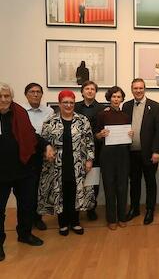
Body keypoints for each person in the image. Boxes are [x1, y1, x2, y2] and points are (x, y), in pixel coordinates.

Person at [0, 82, 54, 261]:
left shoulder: (19, 113)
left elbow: (32, 135)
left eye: (7, 96)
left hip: (24, 169)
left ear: (12, 97)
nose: (3, 100)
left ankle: (24, 234)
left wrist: (46, 145)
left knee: (27, 205)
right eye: (0, 96)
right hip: (1, 173)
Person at [38, 90, 95, 236]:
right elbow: (43, 142)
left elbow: (89, 142)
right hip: (57, 165)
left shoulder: (83, 120)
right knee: (61, 192)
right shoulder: (50, 121)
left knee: (75, 192)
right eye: (65, 102)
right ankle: (63, 224)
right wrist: (46, 149)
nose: (68, 105)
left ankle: (75, 222)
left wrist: (89, 159)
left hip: (78, 164)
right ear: (59, 104)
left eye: (71, 102)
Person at [123, 78, 159, 225]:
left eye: (141, 88)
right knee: (134, 183)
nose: (138, 91)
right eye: (135, 88)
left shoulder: (155, 106)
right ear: (132, 89)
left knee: (150, 182)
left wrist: (157, 151)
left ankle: (150, 210)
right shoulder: (126, 106)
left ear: (144, 89)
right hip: (131, 153)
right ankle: (134, 208)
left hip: (149, 153)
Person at [96, 86, 132, 230]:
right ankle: (111, 219)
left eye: (119, 97)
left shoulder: (125, 115)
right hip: (107, 155)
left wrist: (130, 135)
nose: (116, 99)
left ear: (122, 99)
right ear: (109, 98)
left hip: (123, 155)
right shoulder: (102, 115)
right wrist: (100, 134)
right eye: (113, 97)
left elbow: (128, 134)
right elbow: (96, 135)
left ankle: (122, 217)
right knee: (109, 187)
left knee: (123, 187)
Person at [23, 83, 54, 231]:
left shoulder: (49, 111)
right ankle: (26, 219)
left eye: (38, 92)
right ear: (26, 94)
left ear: (42, 95)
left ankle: (38, 218)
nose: (35, 94)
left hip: (43, 153)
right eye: (32, 92)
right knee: (28, 189)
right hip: (26, 154)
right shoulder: (20, 111)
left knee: (41, 187)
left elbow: (51, 132)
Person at [74, 81, 105, 221]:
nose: (90, 91)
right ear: (82, 91)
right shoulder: (74, 107)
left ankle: (91, 208)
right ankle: (75, 210)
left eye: (93, 89)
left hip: (96, 150)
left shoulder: (102, 109)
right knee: (77, 180)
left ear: (96, 92)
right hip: (77, 150)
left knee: (93, 181)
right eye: (87, 88)